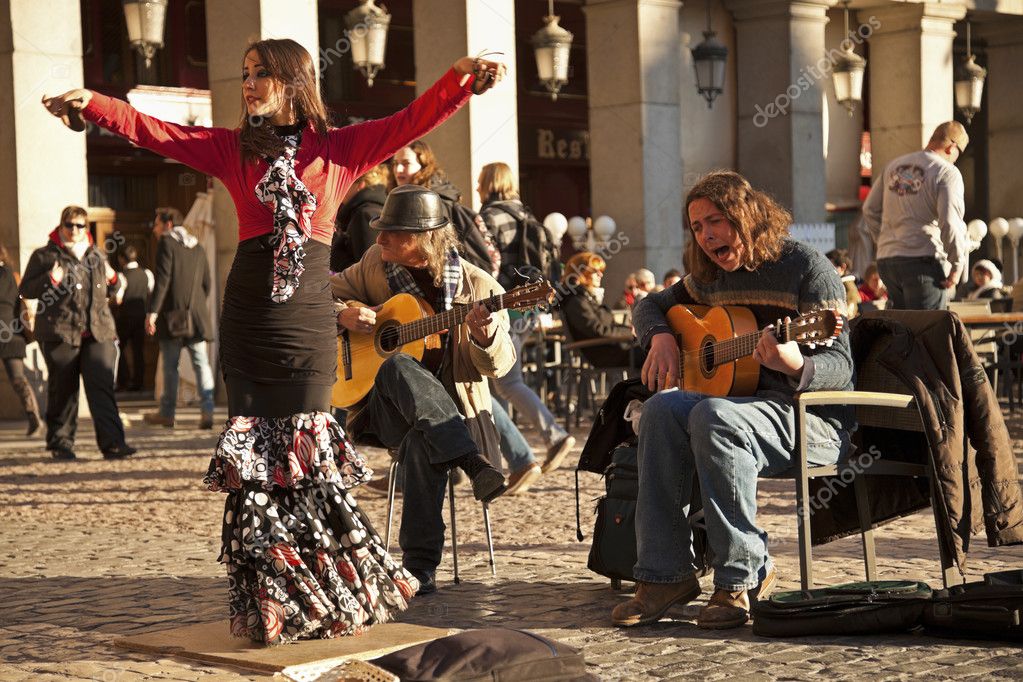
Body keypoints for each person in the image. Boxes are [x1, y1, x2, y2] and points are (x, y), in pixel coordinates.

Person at [44, 39, 506, 643]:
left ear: (293, 79)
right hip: (249, 318)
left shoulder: (339, 149)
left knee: (306, 456)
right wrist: (97, 103)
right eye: (245, 74)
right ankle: (271, 602)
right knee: (257, 466)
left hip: (308, 319)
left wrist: (459, 78)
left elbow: (409, 122)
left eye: (261, 73)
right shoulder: (234, 150)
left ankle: (325, 594)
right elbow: (155, 132)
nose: (250, 83)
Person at [612, 171, 853, 629]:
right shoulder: (707, 278)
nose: (705, 236)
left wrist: (795, 365)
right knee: (662, 409)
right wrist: (659, 335)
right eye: (697, 227)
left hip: (808, 419)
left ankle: (741, 577)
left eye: (716, 221)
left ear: (746, 216)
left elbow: (842, 370)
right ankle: (665, 575)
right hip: (732, 413)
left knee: (712, 414)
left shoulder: (807, 268)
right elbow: (647, 305)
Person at [331, 184, 513, 594]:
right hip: (385, 413)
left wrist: (485, 336)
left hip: (461, 413)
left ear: (423, 237)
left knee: (421, 443)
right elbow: (319, 293)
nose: (378, 239)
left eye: (391, 232)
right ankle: (472, 463)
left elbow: (500, 366)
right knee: (395, 363)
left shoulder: (479, 287)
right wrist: (342, 314)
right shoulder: (374, 266)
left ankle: (418, 569)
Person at [477, 162, 575, 483]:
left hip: (504, 305)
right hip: (529, 308)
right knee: (505, 381)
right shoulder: (530, 218)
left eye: (480, 183)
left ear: (489, 184)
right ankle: (550, 437)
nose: (478, 188)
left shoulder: (490, 218)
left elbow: (484, 266)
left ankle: (552, 436)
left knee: (503, 382)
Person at [19, 206, 136, 461]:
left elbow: (114, 294)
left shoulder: (97, 255)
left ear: (87, 228)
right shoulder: (45, 255)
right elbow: (26, 289)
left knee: (102, 385)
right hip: (59, 333)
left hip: (98, 331)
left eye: (80, 225)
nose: (74, 230)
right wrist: (50, 279)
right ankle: (61, 444)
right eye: (70, 225)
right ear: (61, 227)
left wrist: (115, 280)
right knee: (64, 389)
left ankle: (114, 444)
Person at [863, 121, 970, 311]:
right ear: (951, 147)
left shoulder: (894, 165)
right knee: (925, 332)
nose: (955, 160)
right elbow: (950, 222)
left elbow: (869, 209)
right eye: (957, 154)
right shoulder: (947, 172)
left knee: (903, 331)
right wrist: (956, 264)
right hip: (922, 261)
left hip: (888, 262)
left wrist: (885, 241)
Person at [141, 208, 216, 430]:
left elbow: (162, 281)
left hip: (172, 316)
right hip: (197, 316)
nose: (154, 229)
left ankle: (167, 413)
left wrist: (152, 313)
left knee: (170, 367)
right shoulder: (199, 247)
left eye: (156, 224)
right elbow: (207, 284)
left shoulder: (167, 243)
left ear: (168, 224)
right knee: (201, 365)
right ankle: (207, 412)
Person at [391, 140, 499, 276]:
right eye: (395, 163)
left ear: (423, 166)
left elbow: (437, 255)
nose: (398, 169)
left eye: (406, 163)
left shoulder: (434, 204)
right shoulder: (401, 199)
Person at [559, 252, 642, 369]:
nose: (600, 275)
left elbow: (606, 326)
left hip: (615, 348)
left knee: (658, 348)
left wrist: (633, 331)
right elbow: (597, 330)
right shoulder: (576, 301)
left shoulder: (585, 298)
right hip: (607, 353)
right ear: (581, 273)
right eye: (595, 271)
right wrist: (630, 333)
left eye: (601, 271)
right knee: (657, 352)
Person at [0, 243, 42, 436]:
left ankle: (34, 417)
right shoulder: (12, 274)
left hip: (8, 334)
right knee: (19, 379)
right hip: (12, 333)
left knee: (18, 379)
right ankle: (34, 416)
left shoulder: (7, 274)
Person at [331, 163, 389, 273]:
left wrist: (337, 258)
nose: (339, 187)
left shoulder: (365, 215)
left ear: (360, 185)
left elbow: (369, 271)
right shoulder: (369, 210)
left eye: (345, 182)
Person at [113, 244, 153, 391]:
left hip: (125, 318)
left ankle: (123, 380)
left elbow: (118, 299)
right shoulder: (147, 273)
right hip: (141, 317)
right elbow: (150, 293)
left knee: (119, 348)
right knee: (138, 350)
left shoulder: (121, 276)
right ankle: (139, 382)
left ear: (122, 259)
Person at [825, 248, 859, 318]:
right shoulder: (838, 285)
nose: (826, 271)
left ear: (843, 267)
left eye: (830, 267)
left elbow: (849, 314)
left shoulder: (849, 288)